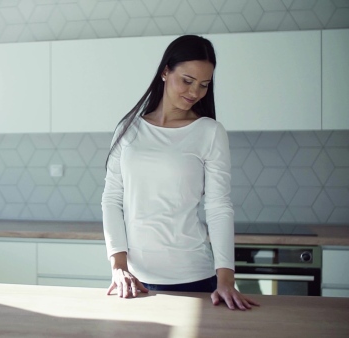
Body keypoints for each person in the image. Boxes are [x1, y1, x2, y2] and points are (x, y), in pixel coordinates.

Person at [101, 34, 259, 310]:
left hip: (195, 278)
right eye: (187, 80)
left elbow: (219, 206)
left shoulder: (209, 132)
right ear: (165, 71)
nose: (195, 92)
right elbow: (111, 200)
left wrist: (226, 278)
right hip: (134, 282)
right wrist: (119, 266)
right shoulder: (128, 129)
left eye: (204, 85)